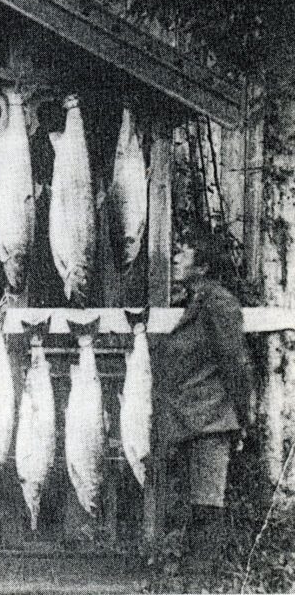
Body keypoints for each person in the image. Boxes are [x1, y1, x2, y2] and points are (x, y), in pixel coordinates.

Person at [154, 230, 250, 574]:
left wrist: (241, 417)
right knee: (192, 507)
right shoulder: (192, 300)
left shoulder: (219, 302)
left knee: (207, 506)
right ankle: (186, 576)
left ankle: (200, 583)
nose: (176, 258)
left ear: (204, 265)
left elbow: (235, 363)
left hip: (211, 419)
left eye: (185, 252)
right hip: (186, 419)